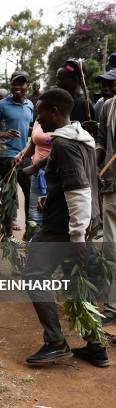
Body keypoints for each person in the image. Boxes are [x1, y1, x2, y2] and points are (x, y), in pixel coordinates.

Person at [23, 88, 106, 367]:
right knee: (75, 278)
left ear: (55, 112)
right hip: (82, 222)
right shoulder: (83, 138)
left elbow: (79, 190)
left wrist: (77, 236)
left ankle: (55, 342)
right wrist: (51, 194)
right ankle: (96, 346)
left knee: (34, 273)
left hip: (64, 229)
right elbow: (77, 180)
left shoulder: (65, 145)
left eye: (41, 112)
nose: (38, 118)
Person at [0, 71, 34, 236]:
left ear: (27, 86)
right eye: (15, 83)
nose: (18, 87)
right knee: (10, 197)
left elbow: (28, 127)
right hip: (7, 156)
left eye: (22, 84)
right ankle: (7, 235)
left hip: (25, 156)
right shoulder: (0, 105)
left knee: (30, 197)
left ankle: (29, 234)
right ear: (10, 85)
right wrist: (4, 134)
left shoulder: (30, 105)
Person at [96, 68, 116, 325]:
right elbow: (102, 140)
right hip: (110, 185)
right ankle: (112, 305)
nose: (108, 88)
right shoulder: (107, 107)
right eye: (106, 83)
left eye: (112, 83)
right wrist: (96, 163)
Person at [56, 59, 97, 134]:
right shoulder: (59, 102)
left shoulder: (85, 104)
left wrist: (81, 129)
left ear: (75, 80)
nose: (57, 83)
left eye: (61, 79)